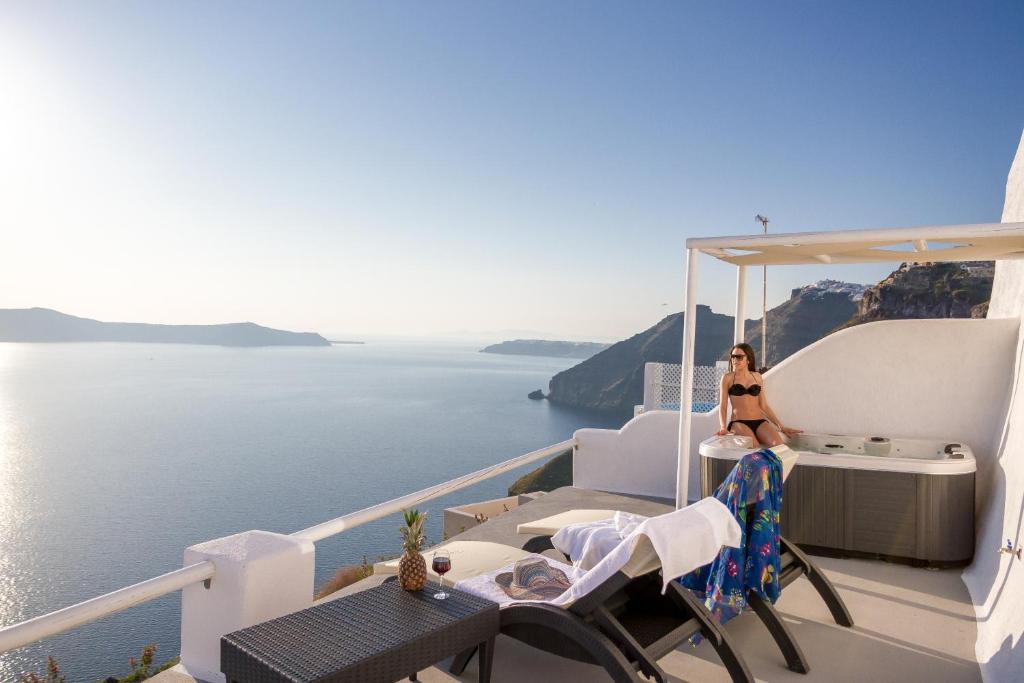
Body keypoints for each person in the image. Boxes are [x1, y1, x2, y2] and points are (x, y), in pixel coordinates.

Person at [715, 342, 801, 447]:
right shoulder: (727, 378)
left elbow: (763, 405)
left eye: (739, 357)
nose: (734, 360)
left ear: (748, 359)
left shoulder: (757, 377)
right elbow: (723, 406)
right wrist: (723, 427)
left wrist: (780, 426)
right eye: (733, 357)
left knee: (779, 448)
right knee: (755, 450)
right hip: (739, 423)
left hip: (760, 421)